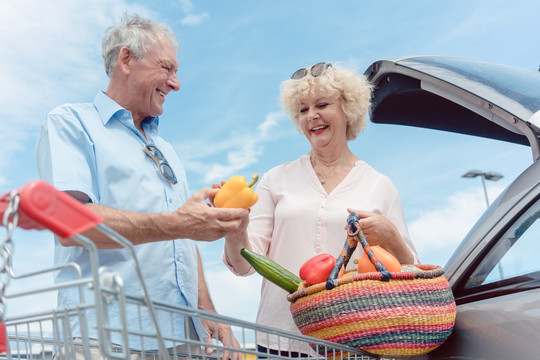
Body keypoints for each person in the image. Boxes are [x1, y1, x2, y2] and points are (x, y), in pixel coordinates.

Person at [35, 14, 248, 359]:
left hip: (183, 340)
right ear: (126, 60)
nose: (175, 83)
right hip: (106, 339)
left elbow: (182, 237)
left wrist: (206, 308)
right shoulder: (70, 122)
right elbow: (69, 224)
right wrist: (179, 224)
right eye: (167, 68)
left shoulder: (167, 151)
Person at [222, 62, 419, 356]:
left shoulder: (380, 185)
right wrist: (234, 227)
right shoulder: (276, 179)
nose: (312, 115)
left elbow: (410, 271)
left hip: (351, 339)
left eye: (322, 104)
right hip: (280, 338)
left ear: (348, 110)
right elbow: (245, 265)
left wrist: (390, 235)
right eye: (302, 109)